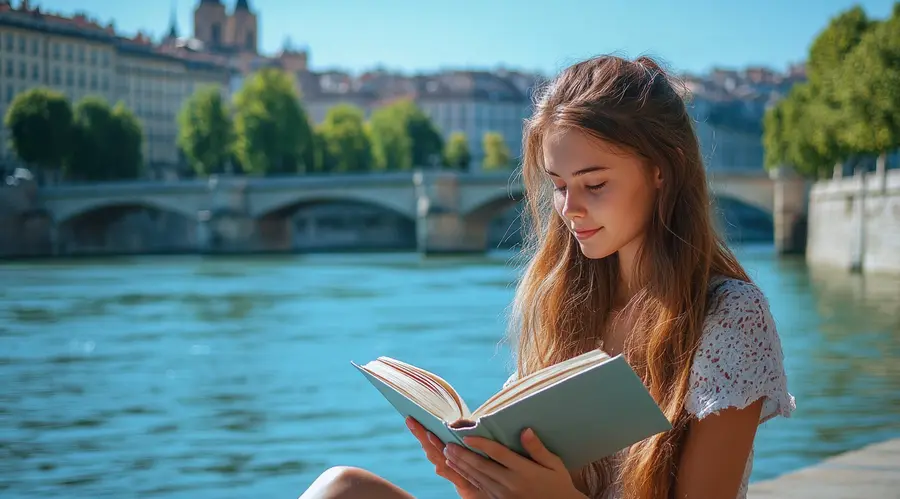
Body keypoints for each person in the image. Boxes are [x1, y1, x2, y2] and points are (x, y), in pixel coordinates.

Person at [298, 54, 795, 499]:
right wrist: (479, 482)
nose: (569, 209)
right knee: (340, 489)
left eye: (594, 184)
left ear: (663, 169)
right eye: (558, 186)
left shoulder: (728, 315)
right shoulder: (568, 307)